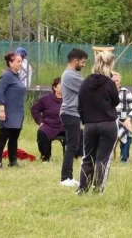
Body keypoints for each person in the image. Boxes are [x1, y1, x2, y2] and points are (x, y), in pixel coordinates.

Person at [76, 51, 120, 195]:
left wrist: (85, 121)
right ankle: (98, 188)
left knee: (87, 157)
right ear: (109, 66)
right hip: (108, 125)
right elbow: (116, 101)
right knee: (103, 159)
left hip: (90, 125)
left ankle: (82, 188)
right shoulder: (109, 83)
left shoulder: (85, 82)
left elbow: (80, 105)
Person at [59, 48, 87, 187]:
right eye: (83, 62)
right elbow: (88, 88)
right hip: (70, 113)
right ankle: (65, 178)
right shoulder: (71, 75)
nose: (84, 65)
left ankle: (69, 176)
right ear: (75, 60)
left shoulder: (70, 74)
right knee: (71, 147)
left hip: (72, 114)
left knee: (73, 145)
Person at [0, 51, 27, 168]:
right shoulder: (6, 76)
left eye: (21, 61)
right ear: (10, 62)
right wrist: (2, 110)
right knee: (3, 136)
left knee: (14, 137)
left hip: (17, 112)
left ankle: (13, 161)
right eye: (18, 61)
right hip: (7, 112)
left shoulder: (16, 76)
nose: (20, 63)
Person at [31, 78, 66, 162]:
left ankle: (75, 157)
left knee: (79, 132)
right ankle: (45, 156)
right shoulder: (46, 99)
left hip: (65, 125)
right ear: (54, 87)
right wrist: (40, 122)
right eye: (61, 85)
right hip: (50, 125)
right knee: (42, 132)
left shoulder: (70, 99)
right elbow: (34, 109)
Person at [112, 72, 132, 163]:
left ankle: (124, 158)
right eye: (113, 81)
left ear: (120, 81)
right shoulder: (106, 93)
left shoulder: (126, 92)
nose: (115, 83)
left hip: (124, 121)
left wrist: (128, 119)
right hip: (110, 122)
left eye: (117, 81)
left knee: (127, 130)